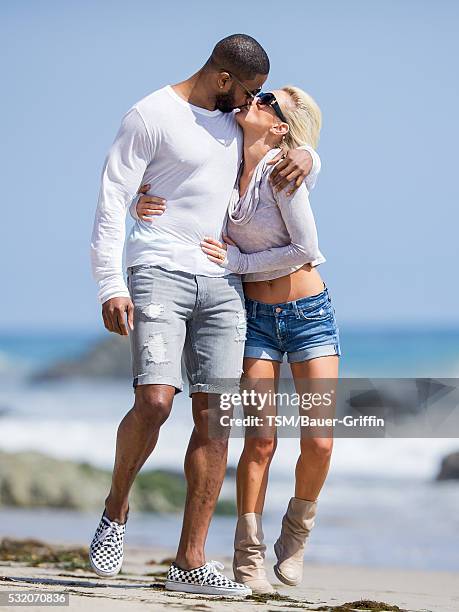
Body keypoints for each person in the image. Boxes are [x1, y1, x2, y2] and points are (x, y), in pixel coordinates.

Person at [89, 34, 319, 597]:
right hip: (158, 270)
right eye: (249, 92)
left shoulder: (239, 124)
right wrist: (109, 284)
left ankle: (190, 561)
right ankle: (116, 507)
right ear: (223, 80)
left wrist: (310, 154)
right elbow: (113, 198)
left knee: (216, 421)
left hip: (223, 284)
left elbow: (295, 141)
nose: (253, 104)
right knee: (155, 400)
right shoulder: (151, 115)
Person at [134, 87, 340, 593]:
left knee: (319, 440)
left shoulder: (284, 171)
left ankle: (296, 536)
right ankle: (248, 555)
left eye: (272, 101)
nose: (259, 99)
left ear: (281, 128)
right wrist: (143, 196)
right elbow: (184, 182)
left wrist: (238, 262)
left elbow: (306, 248)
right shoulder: (227, 171)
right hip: (254, 318)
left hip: (309, 315)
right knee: (261, 441)